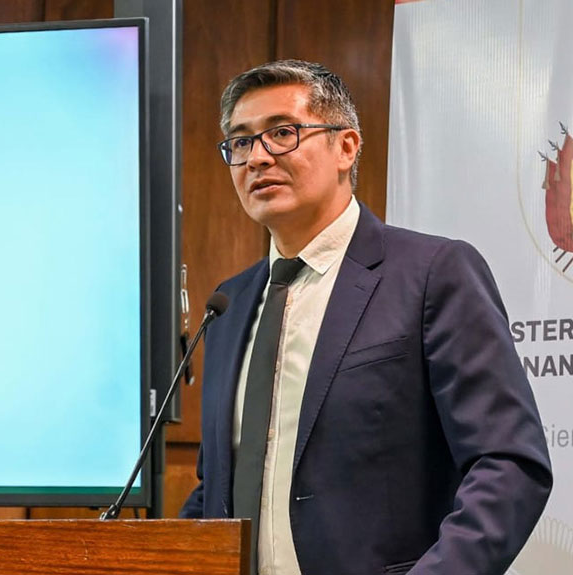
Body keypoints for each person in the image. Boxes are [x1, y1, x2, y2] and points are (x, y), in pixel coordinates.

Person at [179, 59, 552, 575]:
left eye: (282, 133)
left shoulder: (432, 273)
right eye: (240, 142)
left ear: (346, 147)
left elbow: (509, 464)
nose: (257, 157)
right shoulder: (229, 303)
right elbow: (216, 487)